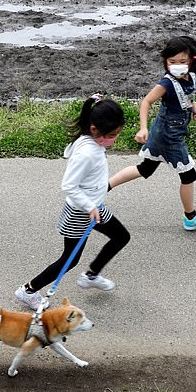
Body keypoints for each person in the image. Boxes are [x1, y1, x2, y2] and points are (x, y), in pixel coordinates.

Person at [15, 95, 131, 311]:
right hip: (81, 211)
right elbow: (68, 185)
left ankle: (92, 275)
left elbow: (72, 153)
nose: (114, 139)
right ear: (95, 129)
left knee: (121, 236)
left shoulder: (88, 140)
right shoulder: (87, 152)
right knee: (69, 259)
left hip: (95, 208)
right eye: (112, 135)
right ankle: (28, 290)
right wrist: (90, 206)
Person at [108, 35, 196, 231]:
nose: (177, 66)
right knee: (188, 175)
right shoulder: (166, 84)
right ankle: (191, 218)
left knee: (145, 168)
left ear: (192, 60)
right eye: (172, 62)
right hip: (169, 135)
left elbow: (187, 96)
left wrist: (194, 110)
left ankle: (102, 187)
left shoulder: (192, 75)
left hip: (165, 132)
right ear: (165, 62)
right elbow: (146, 102)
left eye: (182, 62)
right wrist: (143, 128)